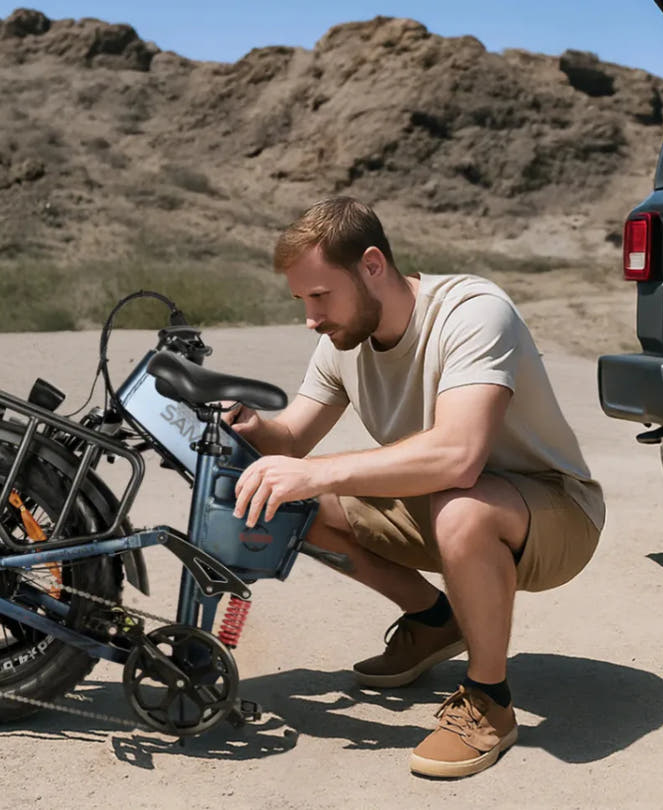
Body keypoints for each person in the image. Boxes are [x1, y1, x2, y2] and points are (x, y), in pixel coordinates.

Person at [221, 196, 605, 779]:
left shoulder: (472, 312)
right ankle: (434, 621)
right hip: (448, 501)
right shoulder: (342, 341)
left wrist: (320, 471)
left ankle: (489, 700)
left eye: (320, 296)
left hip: (555, 513)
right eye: (301, 301)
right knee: (292, 502)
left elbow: (458, 455)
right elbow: (292, 438)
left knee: (461, 508)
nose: (310, 318)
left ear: (372, 265)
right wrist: (254, 427)